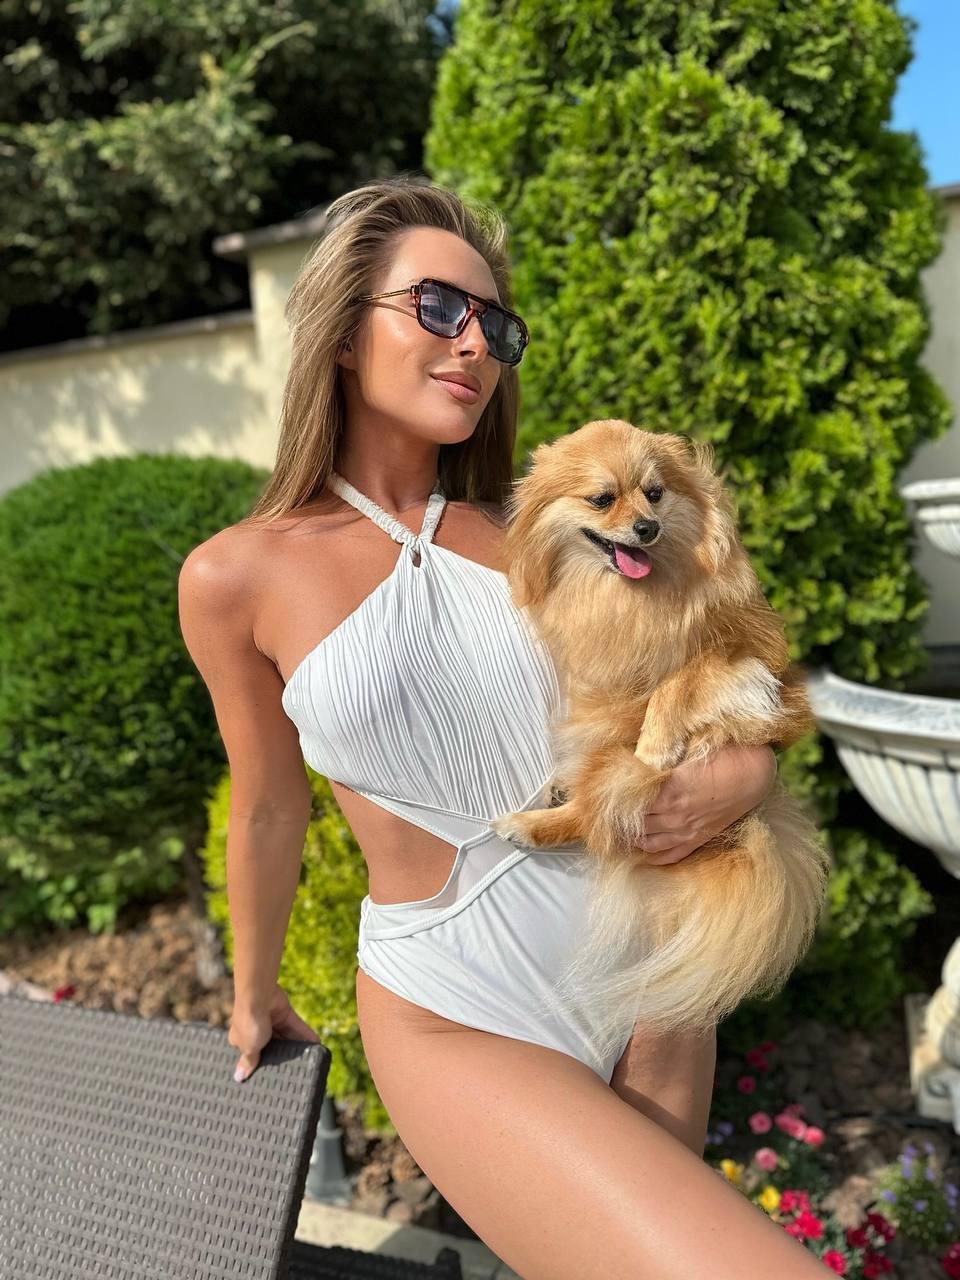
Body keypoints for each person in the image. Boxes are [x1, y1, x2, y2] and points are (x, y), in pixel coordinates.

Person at [178, 176, 826, 1279]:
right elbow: (270, 803)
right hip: (457, 1002)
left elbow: (716, 666)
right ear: (343, 331)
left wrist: (751, 776)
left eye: (495, 323)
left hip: (654, 970)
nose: (476, 343)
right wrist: (251, 993)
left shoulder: (556, 531)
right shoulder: (235, 575)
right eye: (437, 307)